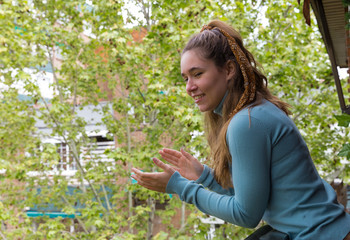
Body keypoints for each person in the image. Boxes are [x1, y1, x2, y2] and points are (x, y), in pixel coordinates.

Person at [131, 20, 350, 240]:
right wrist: (203, 176)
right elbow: (254, 197)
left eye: (197, 74)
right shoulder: (253, 113)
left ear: (228, 70)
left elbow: (246, 214)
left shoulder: (247, 122)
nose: (189, 87)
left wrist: (181, 187)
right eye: (185, 78)